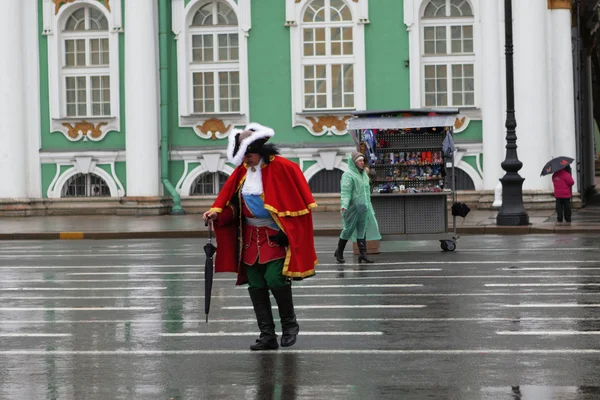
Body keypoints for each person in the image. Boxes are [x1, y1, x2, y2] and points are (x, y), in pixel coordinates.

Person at [202, 122, 317, 351]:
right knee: (255, 284)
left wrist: (287, 234)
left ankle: (290, 325)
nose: (246, 160)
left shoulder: (284, 168)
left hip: (274, 236)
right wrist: (217, 214)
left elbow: (299, 208)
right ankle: (267, 335)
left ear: (261, 151)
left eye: (250, 155)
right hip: (249, 239)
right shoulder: (242, 173)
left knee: (275, 278)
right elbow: (234, 206)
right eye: (243, 156)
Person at [334, 151, 381, 264]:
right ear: (353, 162)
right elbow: (346, 192)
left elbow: (366, 192)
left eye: (362, 160)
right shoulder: (348, 175)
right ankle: (339, 251)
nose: (361, 163)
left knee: (362, 230)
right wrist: (344, 205)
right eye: (359, 161)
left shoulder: (364, 174)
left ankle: (363, 254)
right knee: (348, 230)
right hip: (352, 208)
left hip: (363, 207)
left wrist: (368, 205)